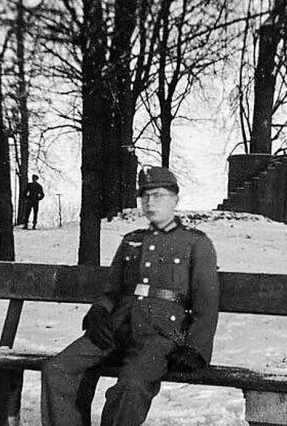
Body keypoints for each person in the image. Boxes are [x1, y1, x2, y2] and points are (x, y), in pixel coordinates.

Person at [41, 166, 220, 426]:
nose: (149, 202)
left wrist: (195, 347)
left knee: (131, 386)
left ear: (175, 200)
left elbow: (207, 302)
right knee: (58, 370)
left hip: (163, 335)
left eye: (158, 195)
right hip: (117, 328)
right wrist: (99, 311)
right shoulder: (131, 240)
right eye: (144, 196)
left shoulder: (195, 243)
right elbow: (111, 291)